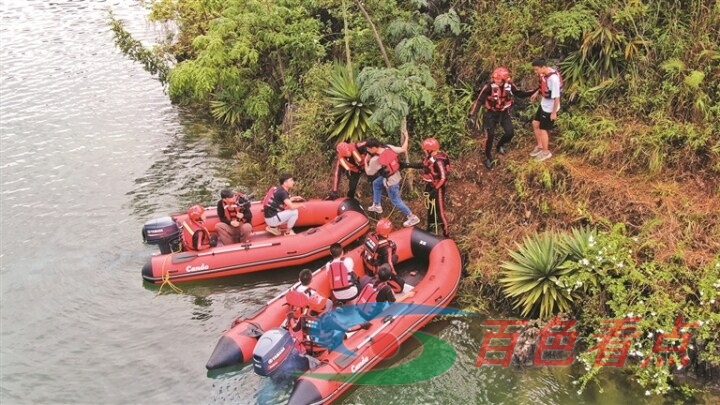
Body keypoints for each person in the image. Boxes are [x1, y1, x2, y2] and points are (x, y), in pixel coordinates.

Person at [468, 67, 537, 169]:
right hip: (491, 114)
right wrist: (472, 116)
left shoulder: (509, 86)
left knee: (510, 133)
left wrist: (534, 91)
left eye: (498, 79)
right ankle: (488, 157)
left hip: (504, 113)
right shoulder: (488, 87)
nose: (496, 80)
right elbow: (479, 101)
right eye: (495, 78)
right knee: (490, 136)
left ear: (504, 80)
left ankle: (500, 145)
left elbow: (520, 93)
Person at [364, 132, 420, 228]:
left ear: (373, 148)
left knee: (396, 201)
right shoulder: (388, 147)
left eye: (368, 149)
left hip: (390, 182)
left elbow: (369, 172)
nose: (367, 150)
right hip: (396, 175)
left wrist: (365, 161)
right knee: (376, 183)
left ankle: (412, 217)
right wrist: (407, 137)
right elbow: (403, 149)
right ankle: (377, 205)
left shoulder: (375, 160)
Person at [529, 58, 562, 162]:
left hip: (550, 108)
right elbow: (543, 86)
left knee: (543, 129)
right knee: (535, 123)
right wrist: (536, 93)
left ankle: (546, 152)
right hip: (544, 104)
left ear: (543, 67)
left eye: (536, 69)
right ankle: (540, 146)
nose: (536, 72)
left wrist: (553, 113)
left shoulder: (554, 79)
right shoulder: (544, 74)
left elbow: (557, 97)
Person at [361, 218, 405, 293]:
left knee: (394, 257)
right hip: (376, 270)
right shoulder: (386, 247)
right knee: (400, 286)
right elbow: (389, 263)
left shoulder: (370, 235)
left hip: (367, 263)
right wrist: (395, 275)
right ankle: (380, 282)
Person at [419, 137, 450, 237]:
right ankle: (430, 228)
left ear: (430, 149)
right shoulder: (431, 156)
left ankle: (446, 235)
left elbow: (443, 178)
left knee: (440, 212)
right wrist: (407, 165)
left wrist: (435, 190)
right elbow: (425, 165)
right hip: (430, 186)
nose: (424, 150)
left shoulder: (439, 161)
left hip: (438, 188)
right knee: (430, 208)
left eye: (425, 149)